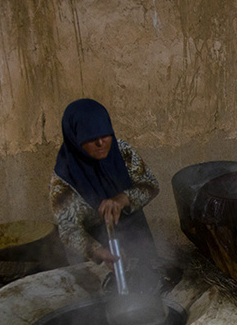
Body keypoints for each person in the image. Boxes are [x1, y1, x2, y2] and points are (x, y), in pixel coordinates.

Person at [50, 98, 161, 285]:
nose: (101, 143)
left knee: (150, 287)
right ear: (76, 139)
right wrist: (98, 250)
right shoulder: (63, 181)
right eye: (91, 139)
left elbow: (151, 185)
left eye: (105, 135)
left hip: (136, 235)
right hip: (97, 254)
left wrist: (123, 198)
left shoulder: (123, 153)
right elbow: (68, 230)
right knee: (106, 300)